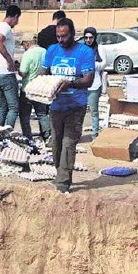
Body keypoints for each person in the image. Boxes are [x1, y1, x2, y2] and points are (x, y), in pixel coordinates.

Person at [43, 18, 95, 194]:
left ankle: (63, 182)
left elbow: (88, 80)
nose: (61, 40)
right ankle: (60, 173)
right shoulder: (52, 51)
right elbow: (45, 73)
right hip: (56, 106)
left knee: (68, 144)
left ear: (73, 34)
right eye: (58, 36)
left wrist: (70, 84)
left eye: (64, 36)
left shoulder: (85, 52)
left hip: (75, 105)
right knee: (56, 144)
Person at [0, 5, 22, 130]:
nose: (17, 22)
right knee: (14, 107)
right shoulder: (6, 28)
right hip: (6, 74)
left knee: (3, 107)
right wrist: (10, 61)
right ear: (14, 16)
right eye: (17, 19)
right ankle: (8, 135)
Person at [18, 33, 50, 141]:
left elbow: (23, 73)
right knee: (42, 114)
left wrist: (17, 67)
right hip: (41, 87)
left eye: (23, 44)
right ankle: (47, 135)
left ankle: (28, 137)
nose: (23, 47)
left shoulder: (28, 54)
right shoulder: (45, 52)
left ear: (27, 43)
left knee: (24, 115)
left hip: (28, 88)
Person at [81, 27, 108, 138]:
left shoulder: (99, 48)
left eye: (91, 37)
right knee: (80, 111)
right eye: (86, 37)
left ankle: (94, 133)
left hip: (94, 84)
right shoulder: (81, 48)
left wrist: (91, 64)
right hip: (81, 84)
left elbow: (103, 63)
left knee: (94, 110)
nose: (88, 40)